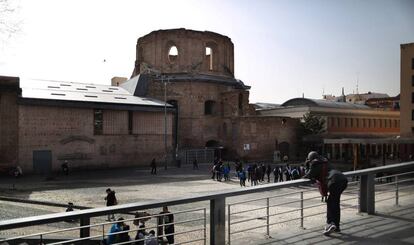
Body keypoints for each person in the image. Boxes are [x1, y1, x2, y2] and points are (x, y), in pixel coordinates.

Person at [302, 151, 348, 235]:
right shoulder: (325, 161)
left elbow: (307, 175)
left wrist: (306, 166)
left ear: (310, 159)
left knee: (331, 203)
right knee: (335, 203)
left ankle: (330, 224)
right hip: (343, 179)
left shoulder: (315, 164)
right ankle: (336, 226)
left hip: (334, 182)